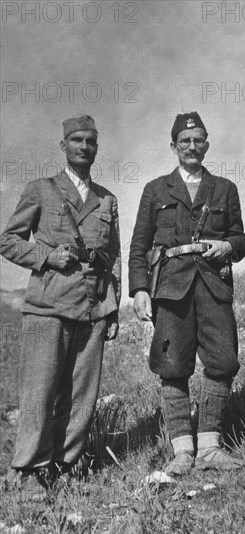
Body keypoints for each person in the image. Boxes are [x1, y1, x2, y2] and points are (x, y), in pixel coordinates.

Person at [0, 115, 121, 499]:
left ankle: (66, 465)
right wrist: (47, 256)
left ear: (96, 147)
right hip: (48, 305)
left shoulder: (107, 199)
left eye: (91, 141)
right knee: (40, 390)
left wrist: (113, 308)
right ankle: (29, 471)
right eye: (76, 140)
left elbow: (113, 256)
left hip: (93, 307)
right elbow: (8, 241)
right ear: (63, 146)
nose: (84, 147)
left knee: (82, 393)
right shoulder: (41, 189)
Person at [129, 112, 245, 474]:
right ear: (174, 147)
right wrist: (138, 290)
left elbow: (241, 239)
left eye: (198, 141)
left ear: (207, 144)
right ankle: (182, 450)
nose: (192, 147)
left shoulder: (224, 188)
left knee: (224, 360)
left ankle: (210, 446)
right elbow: (139, 245)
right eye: (185, 141)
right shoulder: (155, 189)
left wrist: (226, 247)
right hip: (170, 287)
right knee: (172, 365)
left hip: (213, 286)